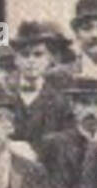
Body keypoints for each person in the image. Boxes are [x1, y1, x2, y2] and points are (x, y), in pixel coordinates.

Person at [5, 20, 75, 148]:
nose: (31, 61)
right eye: (25, 55)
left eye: (38, 55)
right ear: (16, 59)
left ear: (49, 59)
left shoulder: (60, 101)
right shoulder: (5, 96)